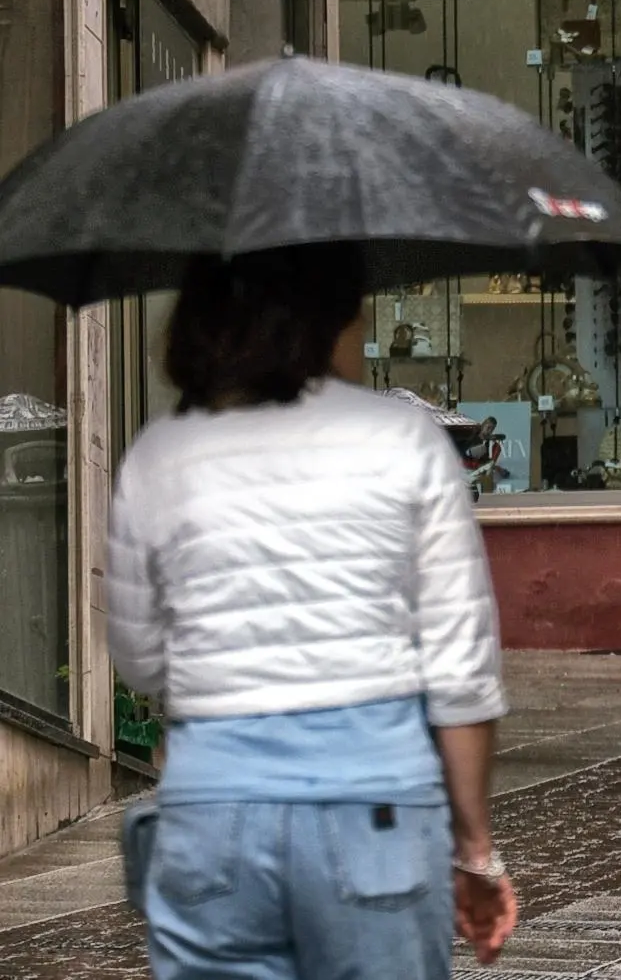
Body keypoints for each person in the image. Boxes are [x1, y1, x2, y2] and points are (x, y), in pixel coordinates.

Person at [107, 246, 518, 979]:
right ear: (332, 314)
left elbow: (140, 658)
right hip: (373, 812)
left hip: (211, 812)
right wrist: (474, 849)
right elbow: (462, 676)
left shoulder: (158, 454)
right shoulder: (406, 442)